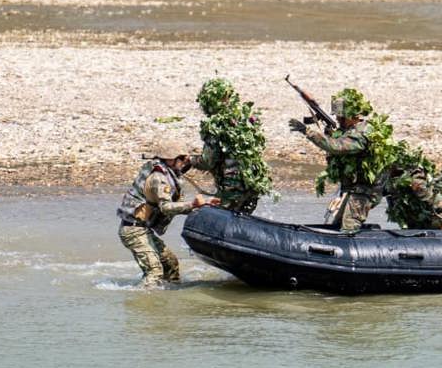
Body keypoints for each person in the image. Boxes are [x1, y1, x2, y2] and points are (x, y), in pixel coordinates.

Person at [116, 140, 220, 288]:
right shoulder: (159, 178)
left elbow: (182, 172)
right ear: (171, 160)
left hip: (143, 229)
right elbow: (166, 207)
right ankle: (143, 303)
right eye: (182, 159)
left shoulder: (165, 169)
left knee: (170, 263)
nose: (186, 161)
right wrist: (193, 205)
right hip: (133, 231)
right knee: (154, 272)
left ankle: (169, 296)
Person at [289, 88, 382, 233]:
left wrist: (308, 132)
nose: (338, 119)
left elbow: (336, 147)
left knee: (348, 227)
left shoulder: (362, 134)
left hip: (364, 191)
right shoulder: (348, 131)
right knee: (337, 224)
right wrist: (330, 133)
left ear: (353, 115)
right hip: (352, 189)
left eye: (342, 117)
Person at [191, 77, 272, 214]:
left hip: (232, 189)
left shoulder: (215, 125)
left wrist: (190, 161)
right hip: (252, 187)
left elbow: (207, 161)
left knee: (213, 219)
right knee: (240, 222)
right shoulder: (245, 119)